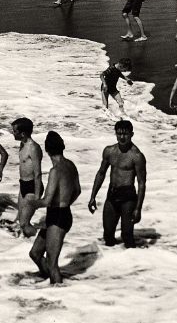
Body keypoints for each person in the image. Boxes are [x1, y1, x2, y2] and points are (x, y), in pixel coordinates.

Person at [29, 131, 82, 284]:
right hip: (61, 214)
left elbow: (46, 201)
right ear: (62, 147)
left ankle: (57, 295)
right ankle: (50, 282)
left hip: (58, 217)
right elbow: (77, 191)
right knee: (35, 253)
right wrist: (65, 204)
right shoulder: (71, 165)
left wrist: (30, 204)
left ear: (47, 150)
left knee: (52, 263)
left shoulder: (55, 171)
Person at [88, 120, 146, 248]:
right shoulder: (109, 151)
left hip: (128, 197)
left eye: (125, 134)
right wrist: (93, 196)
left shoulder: (137, 156)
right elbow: (101, 173)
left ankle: (135, 263)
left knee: (127, 236)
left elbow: (141, 183)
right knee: (108, 235)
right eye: (119, 134)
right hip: (112, 194)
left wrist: (138, 208)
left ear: (132, 134)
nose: (122, 137)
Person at [11, 117, 43, 236]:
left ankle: (42, 238)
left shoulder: (33, 148)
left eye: (14, 131)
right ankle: (22, 244)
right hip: (23, 185)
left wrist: (38, 196)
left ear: (23, 133)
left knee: (24, 224)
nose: (13, 133)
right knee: (19, 221)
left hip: (32, 187)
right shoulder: (22, 144)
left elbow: (38, 173)